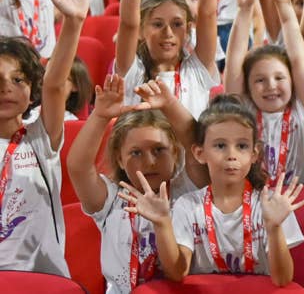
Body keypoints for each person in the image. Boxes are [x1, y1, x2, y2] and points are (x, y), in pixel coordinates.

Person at [122, 95, 304, 284]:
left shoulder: (269, 206)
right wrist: (162, 223)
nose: (231, 155)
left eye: (242, 146)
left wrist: (274, 228)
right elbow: (177, 273)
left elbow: (283, 280)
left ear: (254, 154)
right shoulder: (187, 205)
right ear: (200, 153)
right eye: (220, 145)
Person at [67, 74, 203, 292]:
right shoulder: (111, 198)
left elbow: (196, 143)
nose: (149, 162)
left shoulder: (188, 191)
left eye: (159, 150)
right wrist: (100, 116)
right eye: (136, 153)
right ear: (120, 159)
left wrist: (170, 105)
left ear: (176, 153)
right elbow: (78, 166)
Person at [0, 0, 86, 275]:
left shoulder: (40, 138)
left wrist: (74, 24)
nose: (6, 87)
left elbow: (54, 83)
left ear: (32, 89)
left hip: (40, 276)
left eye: (18, 79)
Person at [223, 0, 304, 185]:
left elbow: (298, 58)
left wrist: (283, 3)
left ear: (293, 80)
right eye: (259, 80)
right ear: (247, 87)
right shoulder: (243, 113)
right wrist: (245, 10)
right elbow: (233, 64)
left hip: (301, 202)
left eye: (279, 77)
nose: (270, 85)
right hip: (253, 203)